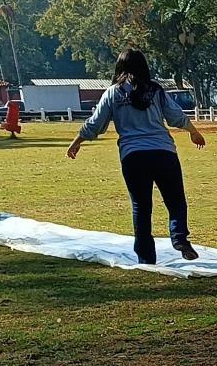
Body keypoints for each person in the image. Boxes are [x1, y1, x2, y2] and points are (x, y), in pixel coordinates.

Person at [66, 49, 207, 264]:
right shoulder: (155, 90)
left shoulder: (113, 93)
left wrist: (77, 141)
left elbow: (95, 123)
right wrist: (193, 132)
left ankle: (146, 257)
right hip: (163, 152)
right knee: (176, 200)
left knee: (141, 207)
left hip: (133, 156)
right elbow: (175, 115)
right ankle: (180, 239)